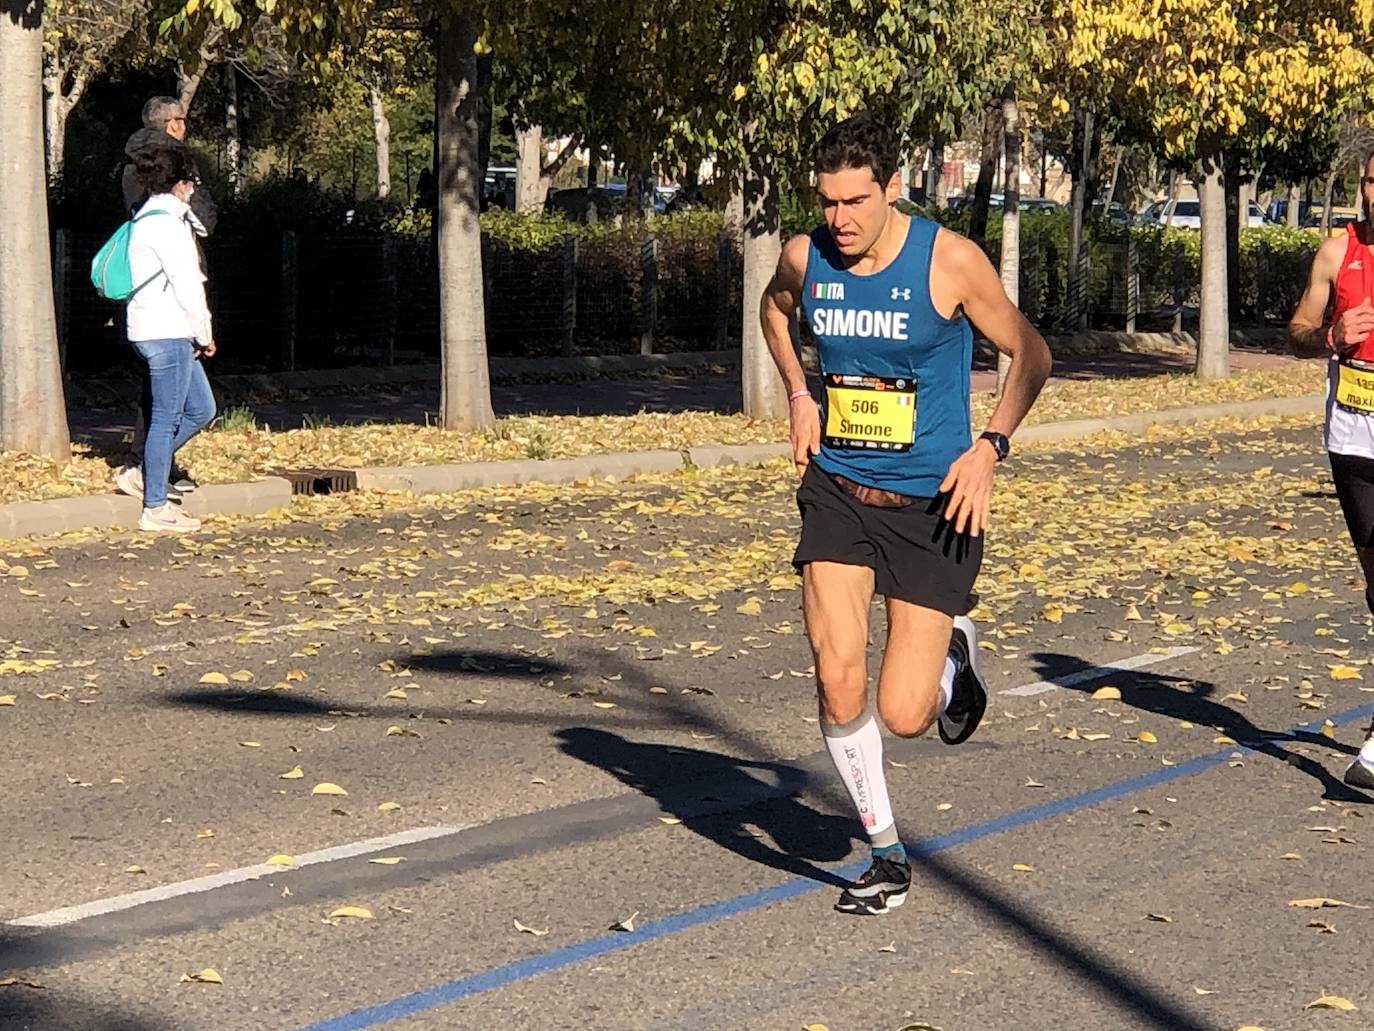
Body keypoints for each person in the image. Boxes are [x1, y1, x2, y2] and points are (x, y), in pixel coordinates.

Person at [760, 113, 1052, 915]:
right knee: (835, 672)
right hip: (839, 489)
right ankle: (886, 854)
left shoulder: (949, 260)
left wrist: (990, 445)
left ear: (893, 188)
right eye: (828, 202)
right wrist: (796, 393)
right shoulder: (806, 256)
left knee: (903, 713)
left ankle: (956, 654)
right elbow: (774, 311)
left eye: (857, 200)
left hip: (935, 504)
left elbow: (1031, 353)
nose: (841, 219)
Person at [1289, 148, 1374, 790]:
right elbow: (1296, 329)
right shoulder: (1333, 253)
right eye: (1373, 182)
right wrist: (1331, 336)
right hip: (1352, 430)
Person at [114, 146, 218, 533]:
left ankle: (147, 471)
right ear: (181, 184)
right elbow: (188, 286)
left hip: (151, 327)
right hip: (169, 330)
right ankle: (154, 506)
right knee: (166, 418)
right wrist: (204, 333)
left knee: (202, 409)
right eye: (191, 183)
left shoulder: (146, 217)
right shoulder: (169, 227)